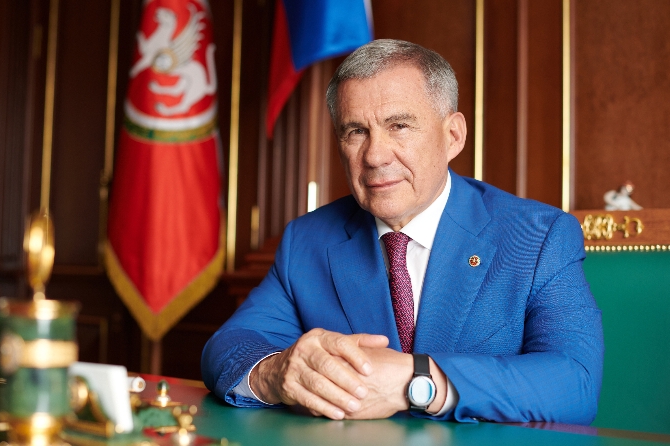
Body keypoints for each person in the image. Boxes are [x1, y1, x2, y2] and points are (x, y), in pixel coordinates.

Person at [202, 39, 603, 424]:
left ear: (453, 136)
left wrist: (417, 381)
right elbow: (228, 347)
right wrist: (275, 372)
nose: (375, 156)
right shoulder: (307, 241)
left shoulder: (538, 236)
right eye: (356, 131)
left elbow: (574, 382)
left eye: (399, 126)